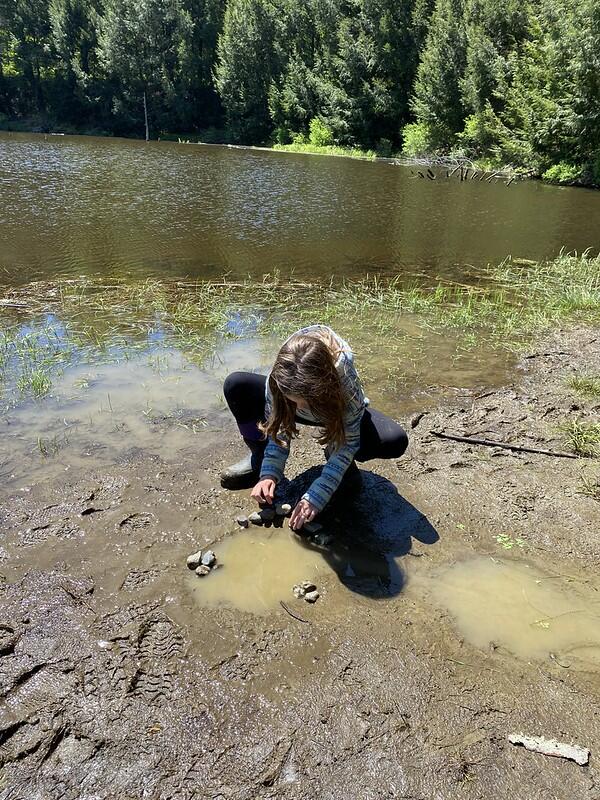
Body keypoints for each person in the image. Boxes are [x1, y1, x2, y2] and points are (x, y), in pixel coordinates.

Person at [221, 325, 408, 530]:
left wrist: (316, 496)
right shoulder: (281, 378)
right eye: (293, 402)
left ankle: (338, 461)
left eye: (303, 402)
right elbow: (278, 431)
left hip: (335, 413)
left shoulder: (346, 388)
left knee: (394, 440)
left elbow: (348, 444)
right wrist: (269, 473)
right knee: (236, 384)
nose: (298, 408)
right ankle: (258, 455)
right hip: (306, 400)